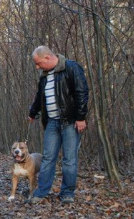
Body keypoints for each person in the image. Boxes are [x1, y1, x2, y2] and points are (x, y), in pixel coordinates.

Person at [27, 45, 89, 204]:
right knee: (48, 158)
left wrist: (81, 117)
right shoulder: (44, 76)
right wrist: (32, 112)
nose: (37, 66)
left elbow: (82, 92)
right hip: (52, 123)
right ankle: (41, 192)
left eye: (38, 63)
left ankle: (67, 193)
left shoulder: (71, 68)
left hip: (69, 122)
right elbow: (40, 97)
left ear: (47, 58)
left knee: (69, 159)